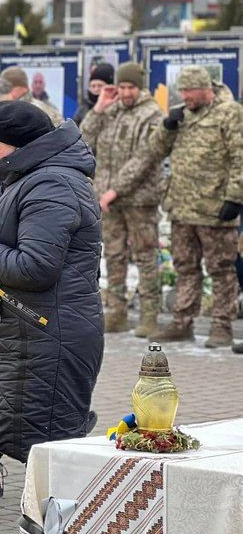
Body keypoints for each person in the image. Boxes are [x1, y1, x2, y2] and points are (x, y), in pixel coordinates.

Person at [0, 101, 103, 463]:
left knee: (48, 454)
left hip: (48, 336)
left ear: (20, 144)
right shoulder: (31, 176)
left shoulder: (52, 183)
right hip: (29, 333)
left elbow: (35, 267)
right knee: (33, 450)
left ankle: (62, 521)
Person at [149, 65, 243, 347]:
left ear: (206, 89)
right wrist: (167, 127)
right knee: (185, 267)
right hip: (182, 207)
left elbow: (240, 157)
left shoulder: (230, 113)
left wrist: (235, 198)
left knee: (221, 268)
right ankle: (182, 322)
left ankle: (222, 325)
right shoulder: (182, 114)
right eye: (183, 91)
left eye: (190, 91)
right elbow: (155, 150)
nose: (185, 96)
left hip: (215, 209)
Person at [79, 62, 164, 337]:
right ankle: (116, 311)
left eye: (131, 87)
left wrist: (114, 190)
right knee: (114, 255)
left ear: (140, 87)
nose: (126, 93)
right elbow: (83, 139)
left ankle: (150, 314)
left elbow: (145, 158)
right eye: (122, 87)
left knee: (145, 256)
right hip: (108, 199)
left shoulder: (151, 115)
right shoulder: (110, 111)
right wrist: (99, 107)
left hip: (139, 199)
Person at [0, 67, 64, 125]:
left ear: (16, 88)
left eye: (5, 88)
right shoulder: (48, 110)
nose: (3, 92)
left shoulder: (27, 111)